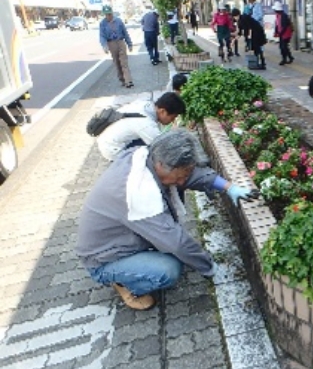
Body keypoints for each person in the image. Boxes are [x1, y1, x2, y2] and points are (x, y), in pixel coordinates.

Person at [76, 129, 259, 310]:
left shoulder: (150, 156)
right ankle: (124, 283)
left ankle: (136, 267)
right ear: (161, 165)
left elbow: (191, 175)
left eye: (186, 174)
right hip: (104, 258)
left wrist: (228, 187)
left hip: (125, 240)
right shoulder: (138, 191)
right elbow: (176, 243)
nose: (183, 181)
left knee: (176, 253)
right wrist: (210, 267)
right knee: (168, 270)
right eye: (182, 175)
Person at [96, 92, 185, 161]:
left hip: (108, 138)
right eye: (173, 117)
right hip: (113, 149)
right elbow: (163, 148)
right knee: (152, 158)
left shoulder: (146, 104)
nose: (173, 121)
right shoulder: (146, 124)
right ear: (162, 111)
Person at [99, 5, 133, 88]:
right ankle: (122, 80)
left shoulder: (118, 21)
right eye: (106, 14)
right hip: (111, 43)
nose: (108, 16)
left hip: (120, 41)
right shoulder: (103, 23)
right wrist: (105, 46)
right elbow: (102, 36)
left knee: (124, 62)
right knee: (117, 63)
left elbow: (125, 33)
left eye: (109, 14)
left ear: (112, 13)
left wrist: (129, 44)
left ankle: (128, 80)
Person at [272, 1, 294, 66]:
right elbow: (277, 25)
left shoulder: (284, 16)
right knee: (283, 46)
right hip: (282, 34)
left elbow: (284, 27)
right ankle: (289, 57)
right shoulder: (278, 16)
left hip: (286, 34)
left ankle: (285, 59)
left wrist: (280, 34)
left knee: (283, 46)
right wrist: (276, 32)